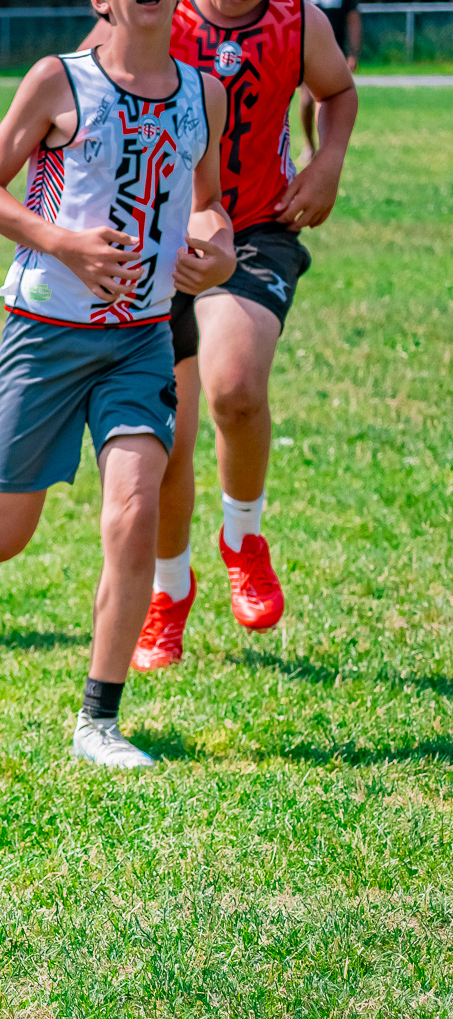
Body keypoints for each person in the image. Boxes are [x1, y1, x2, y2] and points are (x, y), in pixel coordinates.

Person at [0, 0, 235, 768]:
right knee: (2, 539)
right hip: (45, 333)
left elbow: (208, 208)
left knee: (136, 510)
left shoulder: (203, 94)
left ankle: (99, 723)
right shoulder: (59, 82)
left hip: (140, 340)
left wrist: (218, 255)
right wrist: (65, 244)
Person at [83, 0, 356, 670]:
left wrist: (328, 161)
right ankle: (169, 592)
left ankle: (244, 539)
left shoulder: (298, 21)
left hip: (258, 228)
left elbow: (338, 91)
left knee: (234, 387)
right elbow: (83, 89)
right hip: (159, 244)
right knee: (167, 441)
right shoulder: (151, 15)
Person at [301, 0, 358, 156]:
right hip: (307, 52)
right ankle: (310, 145)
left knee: (327, 102)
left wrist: (353, 53)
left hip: (335, 54)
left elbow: (353, 18)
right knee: (306, 102)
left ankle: (325, 150)